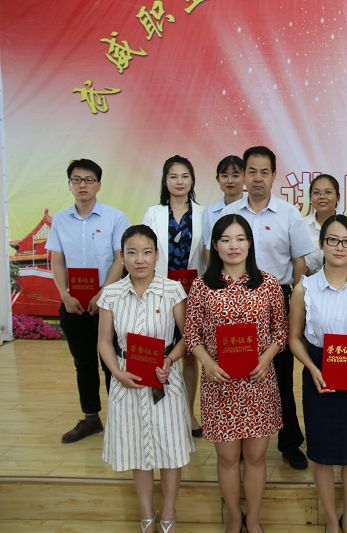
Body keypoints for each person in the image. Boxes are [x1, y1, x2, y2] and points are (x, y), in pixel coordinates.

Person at [185, 214, 286, 533]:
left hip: (258, 383)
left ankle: (253, 520)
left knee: (256, 457)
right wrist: (207, 363)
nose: (233, 246)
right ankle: (233, 518)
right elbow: (192, 334)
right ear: (215, 246)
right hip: (220, 385)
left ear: (250, 243)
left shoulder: (268, 284)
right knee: (228, 458)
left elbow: (280, 331)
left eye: (240, 239)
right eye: (225, 240)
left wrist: (266, 357)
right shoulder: (202, 286)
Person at [219, 145, 316, 470]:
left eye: (264, 172)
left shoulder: (288, 214)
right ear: (244, 175)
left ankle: (289, 442)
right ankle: (238, 438)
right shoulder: (230, 215)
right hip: (232, 304)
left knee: (281, 375)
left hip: (277, 302)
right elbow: (214, 256)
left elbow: (299, 262)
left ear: (274, 175)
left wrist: (294, 304)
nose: (258, 178)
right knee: (237, 373)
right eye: (252, 172)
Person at [288, 214, 347, 533]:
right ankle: (332, 521)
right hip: (319, 374)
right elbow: (294, 338)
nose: (340, 247)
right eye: (333, 240)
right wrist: (312, 368)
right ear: (322, 244)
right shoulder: (305, 288)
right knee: (322, 453)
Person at [97, 225, 194, 533]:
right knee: (137, 450)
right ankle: (146, 515)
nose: (140, 259)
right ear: (122, 256)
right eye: (132, 253)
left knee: (170, 450)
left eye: (147, 252)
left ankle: (168, 514)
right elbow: (104, 342)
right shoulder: (111, 293)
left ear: (157, 255)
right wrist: (117, 373)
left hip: (165, 378)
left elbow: (188, 337)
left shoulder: (172, 290)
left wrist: (169, 360)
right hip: (127, 378)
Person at [45, 158, 129, 443]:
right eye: (77, 180)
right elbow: (57, 260)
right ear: (69, 185)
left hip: (109, 304)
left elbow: (120, 259)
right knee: (83, 362)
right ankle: (91, 418)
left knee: (111, 363)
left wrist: (104, 292)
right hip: (74, 304)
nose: (83, 185)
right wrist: (64, 295)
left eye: (89, 179)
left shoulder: (115, 218)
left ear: (99, 184)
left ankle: (120, 419)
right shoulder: (60, 220)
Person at [142, 155, 206, 438]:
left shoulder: (204, 214)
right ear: (165, 181)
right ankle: (156, 413)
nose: (179, 182)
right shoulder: (153, 213)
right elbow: (144, 251)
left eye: (185, 176)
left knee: (190, 354)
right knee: (157, 351)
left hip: (193, 294)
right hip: (160, 291)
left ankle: (188, 414)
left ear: (192, 180)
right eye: (173, 176)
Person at [202, 155, 246, 256]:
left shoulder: (253, 206)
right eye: (224, 176)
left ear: (245, 178)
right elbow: (207, 248)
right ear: (218, 179)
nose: (230, 181)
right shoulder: (210, 212)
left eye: (235, 176)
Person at [303, 174, 340, 275]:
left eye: (328, 192)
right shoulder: (301, 226)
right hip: (308, 282)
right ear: (310, 197)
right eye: (316, 193)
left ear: (338, 197)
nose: (322, 197)